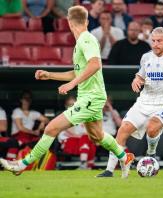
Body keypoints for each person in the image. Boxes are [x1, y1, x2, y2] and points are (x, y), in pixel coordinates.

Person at [0, 5, 134, 178]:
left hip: (91, 98)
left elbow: (95, 64)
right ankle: (125, 157)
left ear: (69, 23)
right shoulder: (81, 43)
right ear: (86, 21)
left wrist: (72, 85)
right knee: (97, 136)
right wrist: (50, 75)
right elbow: (77, 72)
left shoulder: (86, 39)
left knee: (50, 128)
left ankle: (21, 165)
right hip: (90, 97)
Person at [97, 27, 163, 177]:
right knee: (123, 130)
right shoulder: (146, 57)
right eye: (153, 41)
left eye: (159, 41)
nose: (155, 44)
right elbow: (140, 76)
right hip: (143, 102)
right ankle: (109, 170)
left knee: (152, 128)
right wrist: (136, 80)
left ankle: (151, 153)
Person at [58, 96, 96, 169]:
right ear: (66, 106)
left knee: (88, 140)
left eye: (74, 104)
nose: (73, 107)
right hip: (68, 142)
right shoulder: (64, 116)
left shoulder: (82, 116)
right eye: (70, 105)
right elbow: (72, 133)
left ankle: (85, 164)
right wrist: (84, 136)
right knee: (86, 139)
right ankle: (88, 165)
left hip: (80, 141)